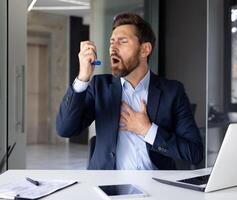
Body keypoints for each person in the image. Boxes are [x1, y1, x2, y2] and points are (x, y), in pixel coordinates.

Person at [56, 13, 203, 170]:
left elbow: (194, 153)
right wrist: (83, 77)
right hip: (107, 188)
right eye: (112, 42)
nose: (113, 47)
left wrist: (148, 130)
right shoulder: (99, 86)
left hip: (156, 189)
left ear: (145, 49)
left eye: (123, 41)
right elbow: (65, 129)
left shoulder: (172, 91)